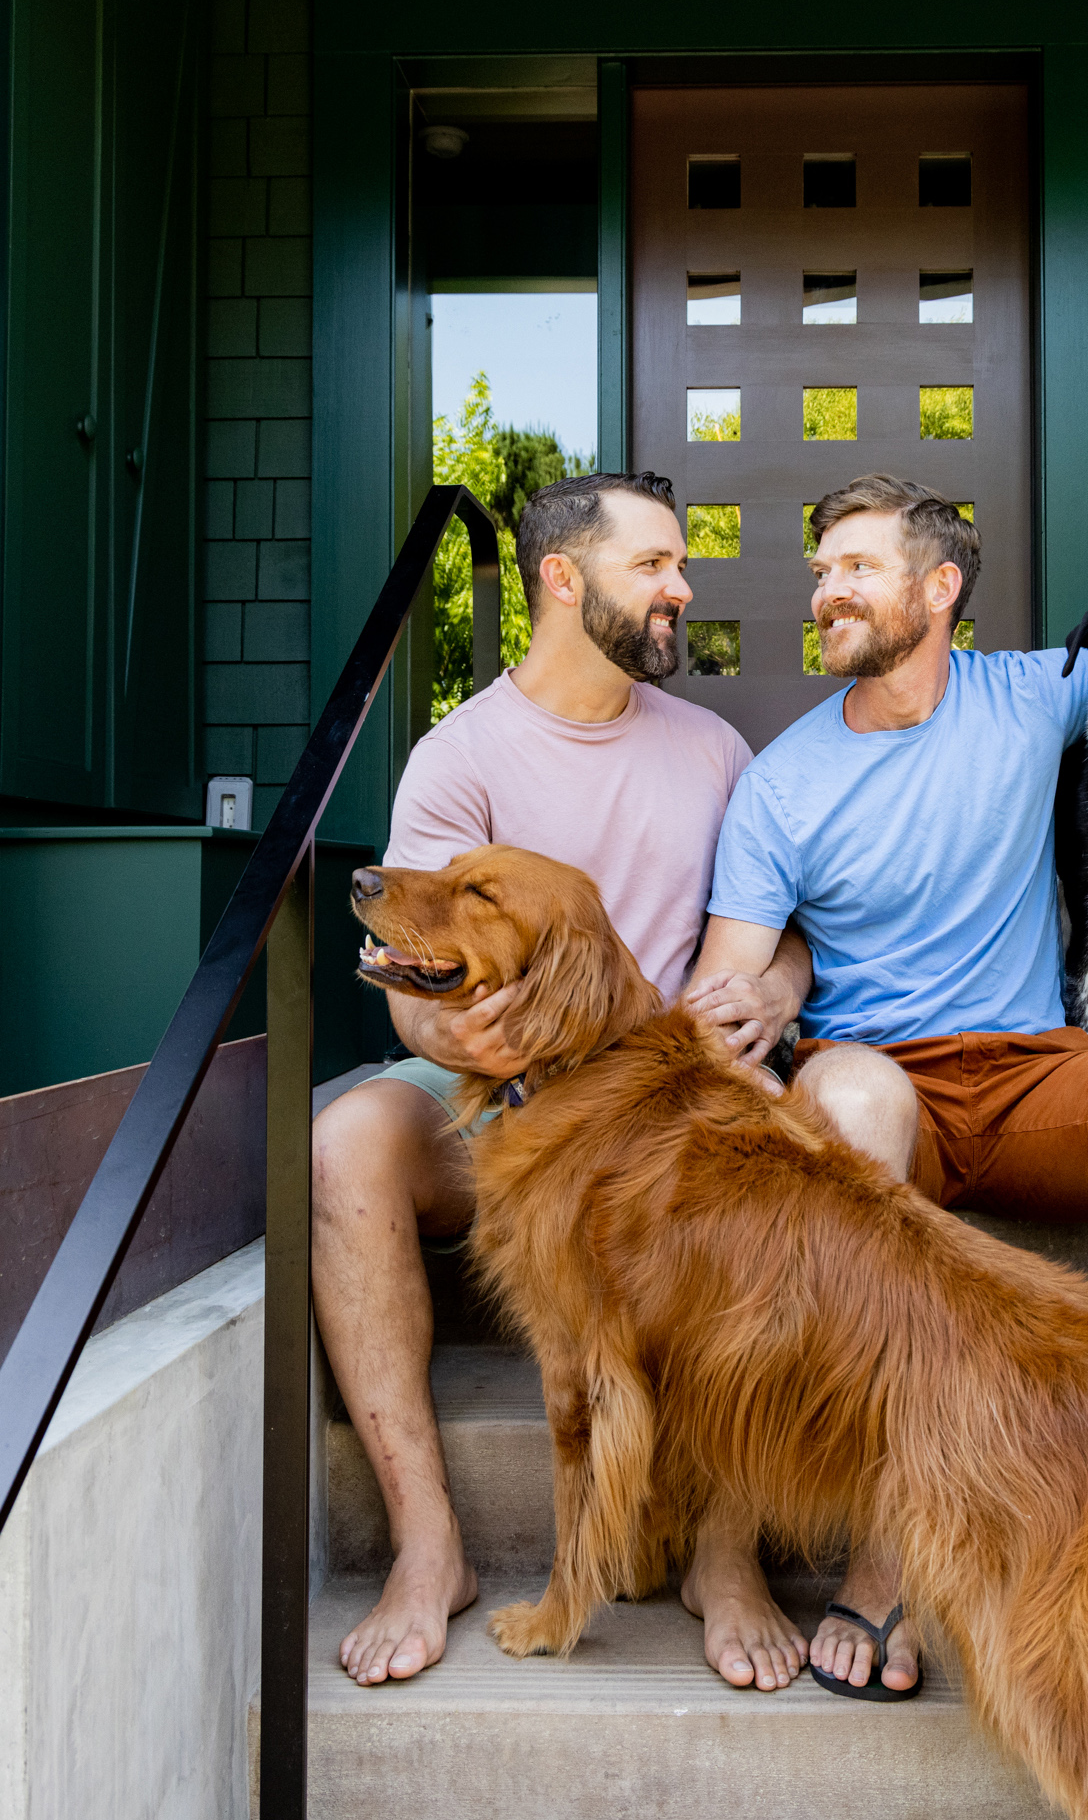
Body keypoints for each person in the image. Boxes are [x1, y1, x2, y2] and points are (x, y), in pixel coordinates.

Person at [687, 472, 1088, 1700]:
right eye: (822, 573)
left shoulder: (1037, 692)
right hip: (885, 1085)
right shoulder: (783, 780)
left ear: (938, 588)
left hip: (1031, 1075)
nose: (826, 592)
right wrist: (770, 992)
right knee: (849, 1103)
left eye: (854, 566)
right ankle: (890, 1531)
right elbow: (724, 994)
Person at [313, 471, 810, 1689]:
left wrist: (780, 990)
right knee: (344, 1145)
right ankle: (431, 1548)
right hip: (495, 1097)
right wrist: (457, 1044)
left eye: (679, 564)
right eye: (654, 565)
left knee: (786, 1154)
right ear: (562, 579)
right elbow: (409, 969)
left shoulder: (713, 749)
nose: (681, 587)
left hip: (655, 1100)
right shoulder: (462, 754)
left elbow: (788, 927)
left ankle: (726, 1552)